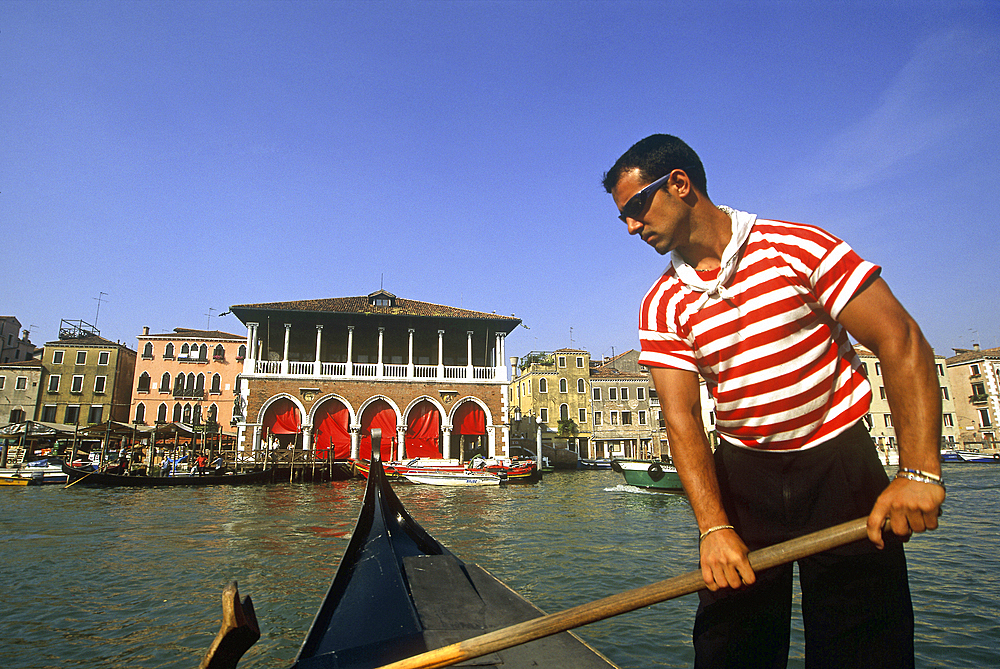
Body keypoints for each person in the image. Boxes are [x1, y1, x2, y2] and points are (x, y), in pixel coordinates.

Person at [602, 134, 945, 668]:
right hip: (744, 482)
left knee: (863, 649)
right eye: (622, 216)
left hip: (841, 468)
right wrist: (713, 528)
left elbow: (900, 339)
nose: (630, 226)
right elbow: (682, 418)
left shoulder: (798, 247)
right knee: (730, 651)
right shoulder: (662, 304)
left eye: (636, 207)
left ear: (679, 184)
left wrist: (919, 472)